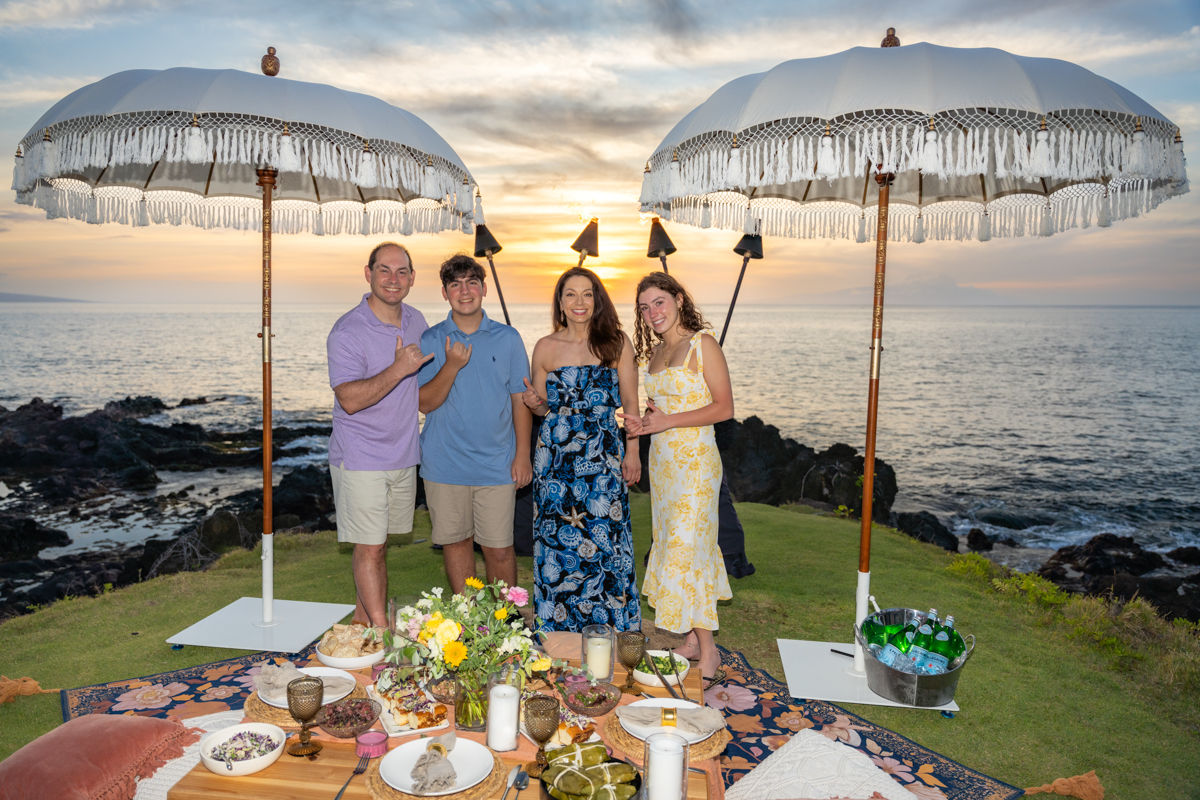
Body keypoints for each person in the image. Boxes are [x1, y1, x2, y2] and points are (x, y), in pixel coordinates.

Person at [624, 271, 733, 685]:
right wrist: (637, 432)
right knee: (674, 547)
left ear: (678, 300)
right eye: (645, 307)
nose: (653, 313)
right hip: (665, 466)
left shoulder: (704, 346)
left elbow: (723, 407)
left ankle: (709, 652)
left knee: (688, 552)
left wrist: (668, 420)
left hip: (698, 464)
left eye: (659, 303)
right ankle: (689, 637)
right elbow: (644, 412)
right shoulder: (650, 355)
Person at [520, 267, 642, 633]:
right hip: (554, 463)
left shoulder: (617, 343)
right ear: (560, 301)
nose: (579, 302)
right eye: (570, 294)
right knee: (558, 545)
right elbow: (543, 409)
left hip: (603, 458)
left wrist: (632, 453)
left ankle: (612, 632)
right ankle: (560, 635)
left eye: (587, 294)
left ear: (597, 299)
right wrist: (534, 404)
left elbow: (632, 406)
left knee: (607, 543)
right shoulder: (545, 347)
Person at [327, 242, 432, 631]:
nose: (393, 279)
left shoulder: (417, 321)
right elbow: (350, 400)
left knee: (376, 544)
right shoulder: (347, 331)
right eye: (384, 270)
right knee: (370, 547)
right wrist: (398, 368)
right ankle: (382, 636)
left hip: (404, 453)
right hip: (361, 456)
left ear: (412, 278)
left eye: (401, 271)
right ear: (368, 273)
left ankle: (361, 621)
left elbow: (426, 388)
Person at [417, 254, 532, 594]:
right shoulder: (431, 339)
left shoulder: (508, 338)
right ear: (444, 292)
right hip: (444, 463)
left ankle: (505, 623)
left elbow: (519, 398)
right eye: (455, 284)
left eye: (471, 282)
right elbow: (424, 402)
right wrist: (451, 365)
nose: (464, 291)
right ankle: (466, 620)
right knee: (456, 544)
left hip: (497, 462)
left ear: (483, 289)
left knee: (499, 548)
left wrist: (522, 455)